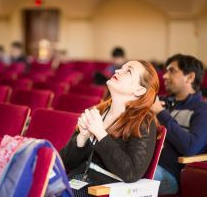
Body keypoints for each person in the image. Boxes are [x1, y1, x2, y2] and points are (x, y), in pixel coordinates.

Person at [60, 60, 159, 196]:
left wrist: (100, 134)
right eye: (121, 68)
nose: (118, 71)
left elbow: (131, 173)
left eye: (128, 71)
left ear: (140, 90)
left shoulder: (143, 121)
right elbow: (66, 162)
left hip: (104, 190)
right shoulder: (98, 111)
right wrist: (82, 137)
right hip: (77, 182)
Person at [151, 54, 207, 195]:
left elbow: (190, 147)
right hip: (143, 163)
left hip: (168, 174)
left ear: (190, 77)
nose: (164, 76)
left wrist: (161, 114)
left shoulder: (205, 110)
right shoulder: (163, 102)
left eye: (172, 71)